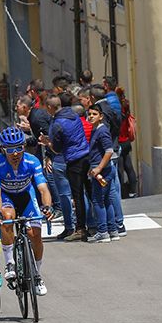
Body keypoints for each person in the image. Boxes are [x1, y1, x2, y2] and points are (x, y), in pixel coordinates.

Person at [0, 127, 53, 297]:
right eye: (10, 150)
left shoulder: (32, 161)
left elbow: (43, 189)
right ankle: (10, 262)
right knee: (7, 217)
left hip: (26, 195)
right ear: (3, 149)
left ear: (24, 146)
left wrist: (47, 206)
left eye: (19, 148)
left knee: (35, 234)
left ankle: (37, 274)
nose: (15, 153)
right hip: (6, 196)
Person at [41, 94, 92, 242]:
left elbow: (57, 149)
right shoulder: (74, 115)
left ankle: (80, 228)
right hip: (85, 155)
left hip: (73, 160)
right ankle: (95, 225)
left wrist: (46, 142)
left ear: (50, 107)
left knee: (76, 196)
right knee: (88, 192)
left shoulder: (57, 124)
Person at [87, 106, 121, 243]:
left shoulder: (102, 131)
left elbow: (109, 151)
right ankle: (112, 230)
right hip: (101, 170)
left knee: (97, 200)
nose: (91, 116)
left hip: (102, 171)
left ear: (101, 116)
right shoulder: (96, 130)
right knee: (106, 200)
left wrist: (99, 168)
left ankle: (103, 231)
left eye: (94, 114)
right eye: (89, 114)